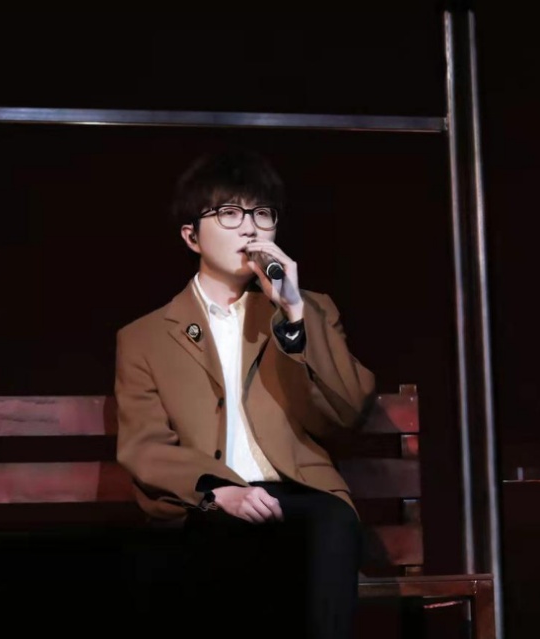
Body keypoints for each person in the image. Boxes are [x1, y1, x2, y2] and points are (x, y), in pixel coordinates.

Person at [114, 148, 376, 638]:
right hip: (209, 502)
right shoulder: (144, 338)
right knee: (208, 551)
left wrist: (295, 316)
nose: (251, 229)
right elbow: (144, 446)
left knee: (333, 524)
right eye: (230, 213)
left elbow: (349, 409)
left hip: (300, 495)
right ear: (191, 236)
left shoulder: (312, 310)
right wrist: (218, 493)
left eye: (262, 214)